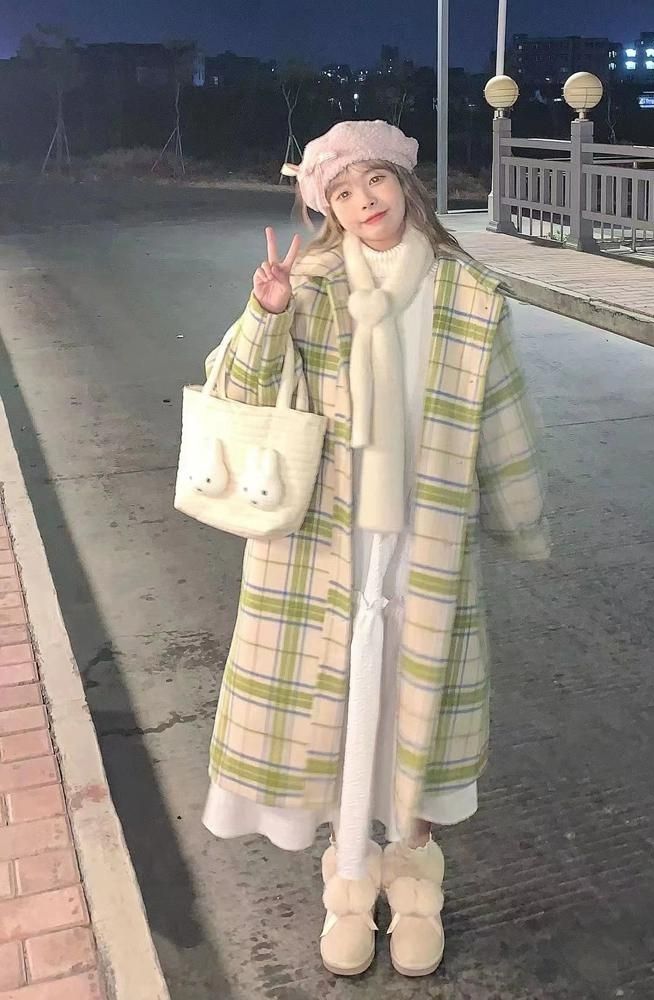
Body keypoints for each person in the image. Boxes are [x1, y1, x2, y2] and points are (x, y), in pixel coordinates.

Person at [200, 120, 549, 978]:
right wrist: (265, 313)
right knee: (340, 706)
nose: (365, 204)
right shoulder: (309, 286)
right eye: (344, 193)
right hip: (328, 541)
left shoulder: (470, 294)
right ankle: (350, 879)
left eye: (376, 182)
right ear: (328, 208)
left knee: (415, 705)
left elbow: (502, 413)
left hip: (424, 541)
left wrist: (520, 515)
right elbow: (231, 392)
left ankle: (416, 877)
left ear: (405, 183)